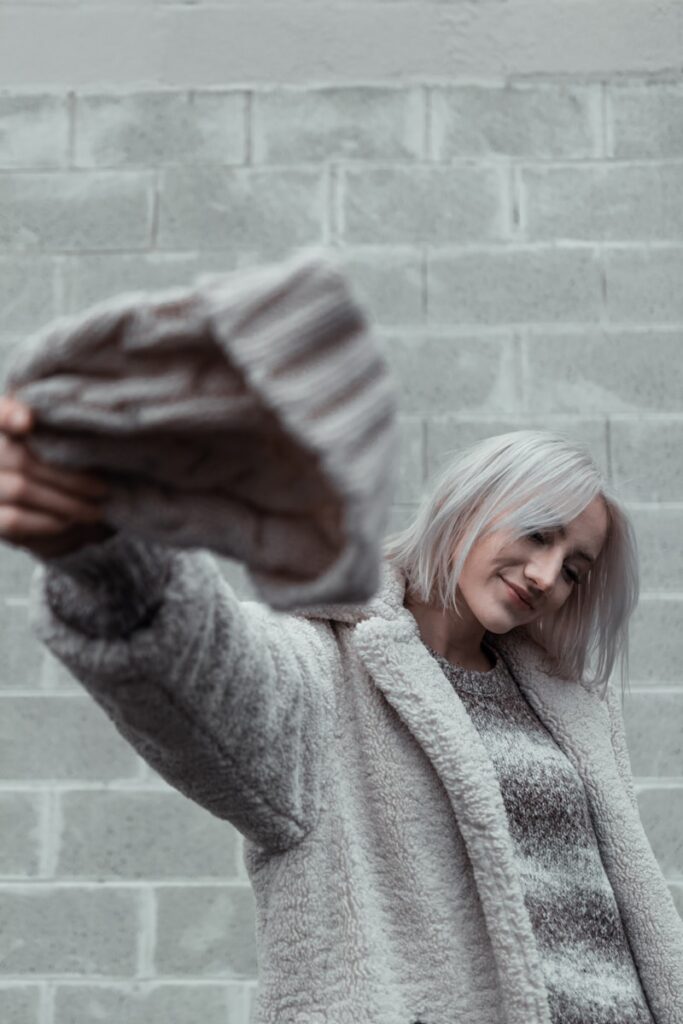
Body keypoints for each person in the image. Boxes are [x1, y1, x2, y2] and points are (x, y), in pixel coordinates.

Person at [0, 394, 681, 1024]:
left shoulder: (568, 703)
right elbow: (209, 669)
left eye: (573, 570)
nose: (545, 575)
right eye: (536, 534)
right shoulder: (324, 665)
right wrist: (112, 549)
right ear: (469, 506)